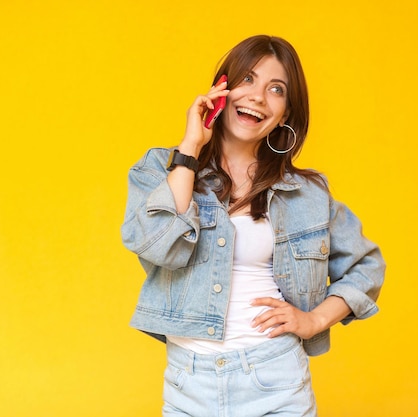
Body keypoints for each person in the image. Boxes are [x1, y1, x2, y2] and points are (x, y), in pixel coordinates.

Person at [121, 35, 385, 417]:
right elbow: (159, 246)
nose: (258, 96)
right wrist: (191, 148)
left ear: (285, 115)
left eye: (276, 90)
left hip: (274, 377)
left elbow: (367, 267)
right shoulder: (163, 169)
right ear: (221, 90)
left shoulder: (307, 193)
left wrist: (313, 321)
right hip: (188, 384)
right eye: (247, 79)